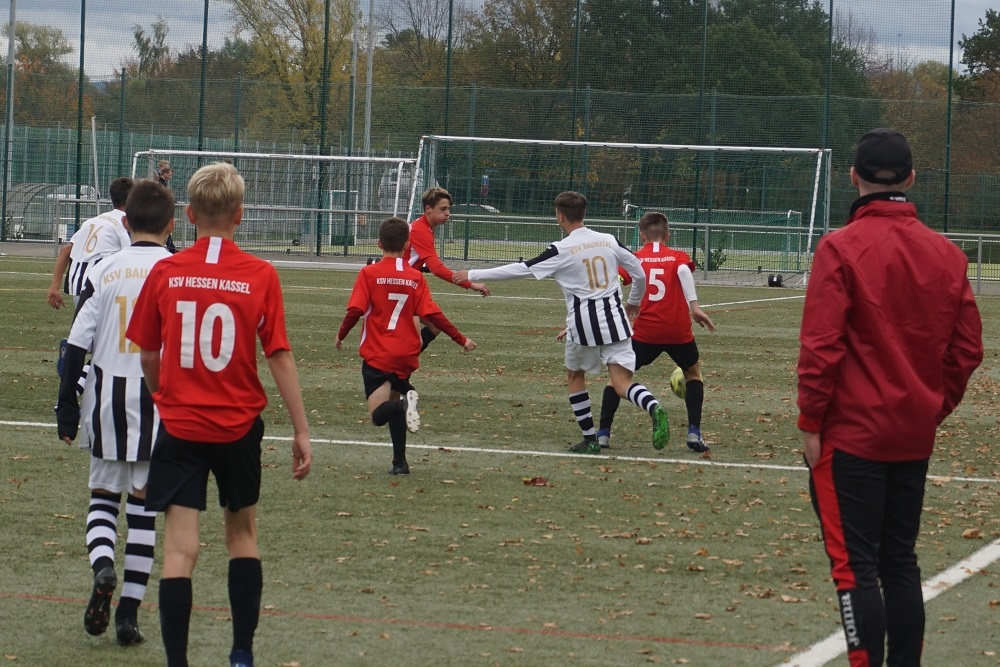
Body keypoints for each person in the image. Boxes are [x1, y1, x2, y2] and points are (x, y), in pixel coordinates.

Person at [797, 128, 983, 666]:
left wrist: (811, 421)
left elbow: (821, 345)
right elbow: (967, 349)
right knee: (900, 562)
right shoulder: (946, 253)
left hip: (851, 435)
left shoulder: (839, 247)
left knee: (855, 568)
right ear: (911, 178)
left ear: (853, 177)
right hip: (910, 433)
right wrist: (928, 407)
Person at [126, 162, 313, 667]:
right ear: (240, 215)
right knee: (242, 537)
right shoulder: (261, 274)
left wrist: (163, 396)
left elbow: (148, 354)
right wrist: (301, 430)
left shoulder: (165, 271)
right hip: (238, 425)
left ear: (188, 215)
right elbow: (279, 354)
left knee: (179, 550)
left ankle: (178, 661)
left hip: (181, 425)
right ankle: (241, 654)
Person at [454, 191, 670, 454]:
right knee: (622, 382)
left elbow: (522, 269)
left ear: (560, 216)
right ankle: (653, 406)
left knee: (575, 376)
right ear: (584, 213)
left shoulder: (561, 249)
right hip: (617, 321)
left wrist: (472, 273)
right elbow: (639, 272)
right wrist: (634, 301)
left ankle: (590, 439)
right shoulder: (609, 240)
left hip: (583, 325)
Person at [54, 179, 175, 646]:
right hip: (156, 404)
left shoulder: (104, 270)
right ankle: (127, 616)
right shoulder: (175, 271)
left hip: (105, 400)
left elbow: (76, 344)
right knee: (143, 512)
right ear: (170, 225)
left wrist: (67, 408)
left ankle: (103, 567)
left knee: (103, 499)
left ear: (125, 221)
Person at [337, 217, 477, 475]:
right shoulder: (415, 277)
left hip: (379, 354)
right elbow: (433, 316)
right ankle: (399, 463)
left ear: (379, 244)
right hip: (406, 354)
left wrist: (341, 335)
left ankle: (404, 404)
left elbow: (355, 310)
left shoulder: (369, 273)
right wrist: (461, 339)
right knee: (394, 398)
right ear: (407, 245)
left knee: (378, 415)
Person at [596, 211, 715, 453]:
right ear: (667, 236)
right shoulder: (678, 256)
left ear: (642, 236)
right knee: (693, 374)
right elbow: (683, 272)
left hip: (645, 333)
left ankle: (603, 434)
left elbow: (617, 280)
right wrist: (694, 307)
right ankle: (694, 432)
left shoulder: (635, 258)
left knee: (617, 379)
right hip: (677, 331)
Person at [408, 187, 490, 351]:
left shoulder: (423, 227)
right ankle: (395, 367)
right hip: (402, 286)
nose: (447, 214)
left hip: (406, 285)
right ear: (428, 209)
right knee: (415, 340)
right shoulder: (421, 230)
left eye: (448, 209)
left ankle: (397, 366)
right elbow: (437, 268)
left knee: (433, 328)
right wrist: (470, 284)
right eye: (443, 209)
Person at [47, 177, 134, 311]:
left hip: (79, 289)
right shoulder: (126, 224)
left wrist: (54, 287)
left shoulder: (92, 221)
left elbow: (65, 251)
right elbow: (132, 258)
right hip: (101, 289)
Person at [155, 160, 179, 253]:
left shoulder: (163, 183)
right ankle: (171, 248)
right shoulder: (158, 182)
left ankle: (171, 247)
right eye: (170, 174)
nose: (171, 177)